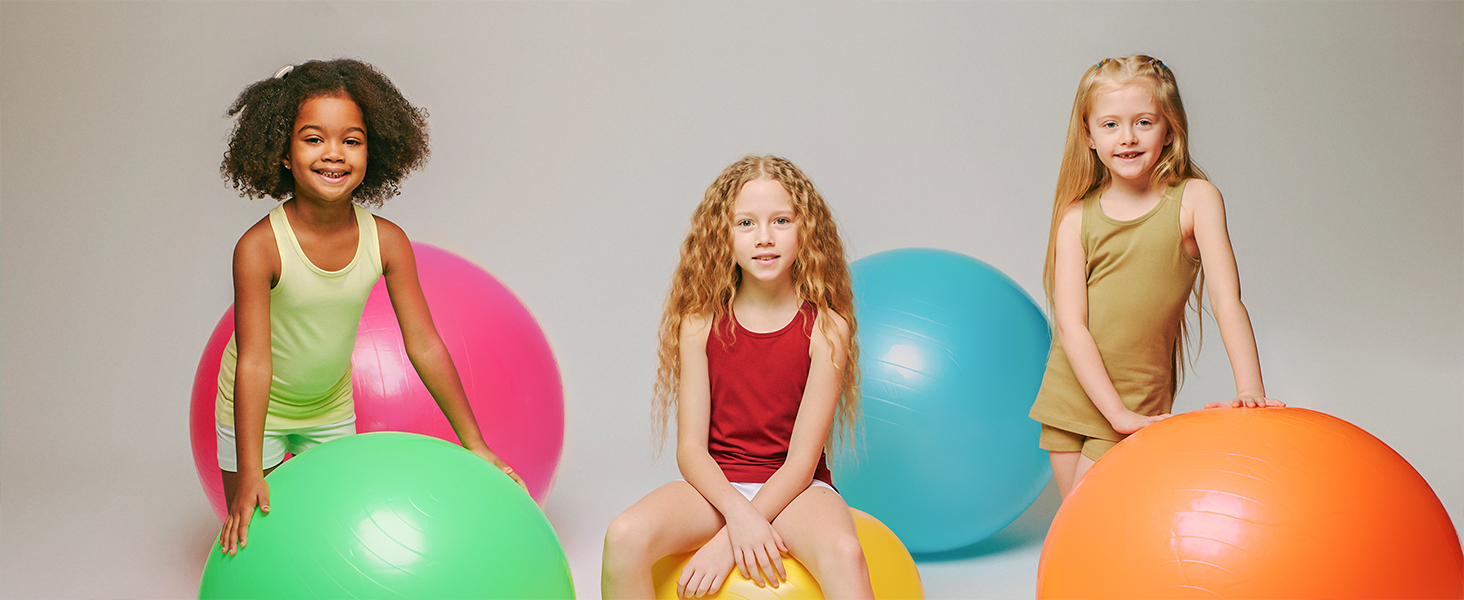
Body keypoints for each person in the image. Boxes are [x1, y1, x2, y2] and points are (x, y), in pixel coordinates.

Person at [214, 59, 522, 555]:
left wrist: (474, 443)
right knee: (261, 540)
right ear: (283, 154)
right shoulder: (260, 247)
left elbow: (424, 344)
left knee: (334, 536)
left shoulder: (388, 242)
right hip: (256, 412)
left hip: (329, 407)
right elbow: (253, 359)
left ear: (372, 151)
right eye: (313, 139)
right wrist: (250, 469)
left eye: (351, 140)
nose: (333, 154)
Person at [601, 156, 874, 599]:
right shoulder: (699, 324)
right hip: (715, 488)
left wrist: (731, 540)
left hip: (795, 490)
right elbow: (690, 450)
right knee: (623, 536)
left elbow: (802, 463)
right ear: (722, 236)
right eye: (746, 223)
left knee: (845, 552)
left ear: (806, 230)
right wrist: (736, 518)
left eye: (781, 220)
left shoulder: (827, 329)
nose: (764, 238)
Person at [1031, 55, 1284, 498]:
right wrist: (1113, 413)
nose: (1127, 138)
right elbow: (1072, 327)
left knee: (1094, 521)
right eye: (1110, 125)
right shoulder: (1075, 218)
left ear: (1169, 128)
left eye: (1143, 122)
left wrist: (1251, 389)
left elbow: (1227, 301)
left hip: (1135, 397)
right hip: (1072, 391)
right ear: (1088, 135)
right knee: (1075, 529)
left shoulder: (1195, 200)